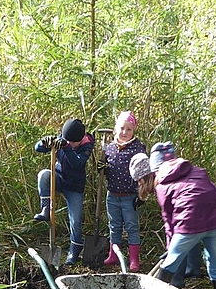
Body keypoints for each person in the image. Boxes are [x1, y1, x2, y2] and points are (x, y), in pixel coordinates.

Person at [130, 143, 216, 289]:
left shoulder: (161, 182)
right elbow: (211, 192)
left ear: (149, 174)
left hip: (190, 223)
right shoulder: (194, 169)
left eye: (140, 181)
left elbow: (168, 221)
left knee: (169, 264)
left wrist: (170, 247)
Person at [32, 118, 95, 265]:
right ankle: (46, 208)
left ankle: (75, 248)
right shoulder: (61, 140)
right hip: (58, 179)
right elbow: (38, 148)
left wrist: (67, 147)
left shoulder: (86, 146)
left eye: (74, 142)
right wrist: (44, 142)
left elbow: (76, 163)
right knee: (44, 175)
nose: (72, 144)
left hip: (75, 186)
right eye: (69, 141)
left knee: (76, 219)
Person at [100, 110, 147, 270]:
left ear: (134, 131)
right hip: (112, 195)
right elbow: (106, 170)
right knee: (114, 225)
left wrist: (142, 195)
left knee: (132, 226)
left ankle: (134, 259)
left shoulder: (138, 148)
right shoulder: (110, 148)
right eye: (122, 128)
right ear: (116, 129)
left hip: (129, 196)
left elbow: (144, 174)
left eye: (129, 129)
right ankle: (114, 255)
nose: (125, 132)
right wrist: (100, 167)